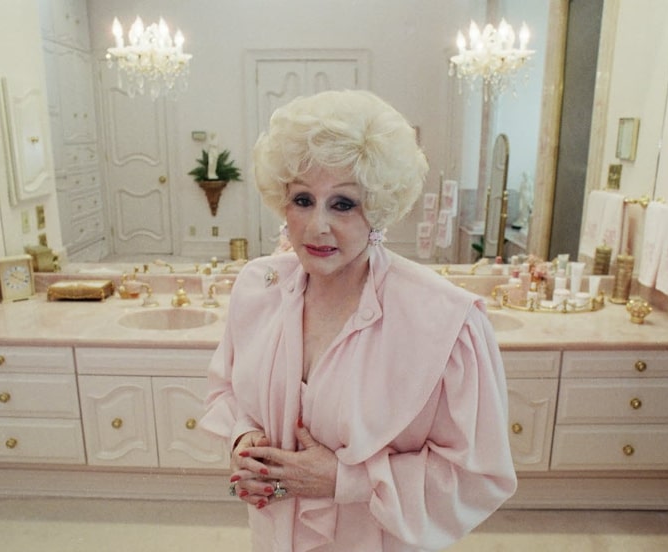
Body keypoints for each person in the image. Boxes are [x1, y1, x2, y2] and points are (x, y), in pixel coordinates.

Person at [201, 89, 516, 551]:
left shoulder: (446, 321)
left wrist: (344, 480)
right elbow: (227, 390)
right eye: (302, 200)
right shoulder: (258, 288)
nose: (317, 227)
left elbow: (478, 475)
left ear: (380, 208)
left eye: (343, 204)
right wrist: (245, 441)